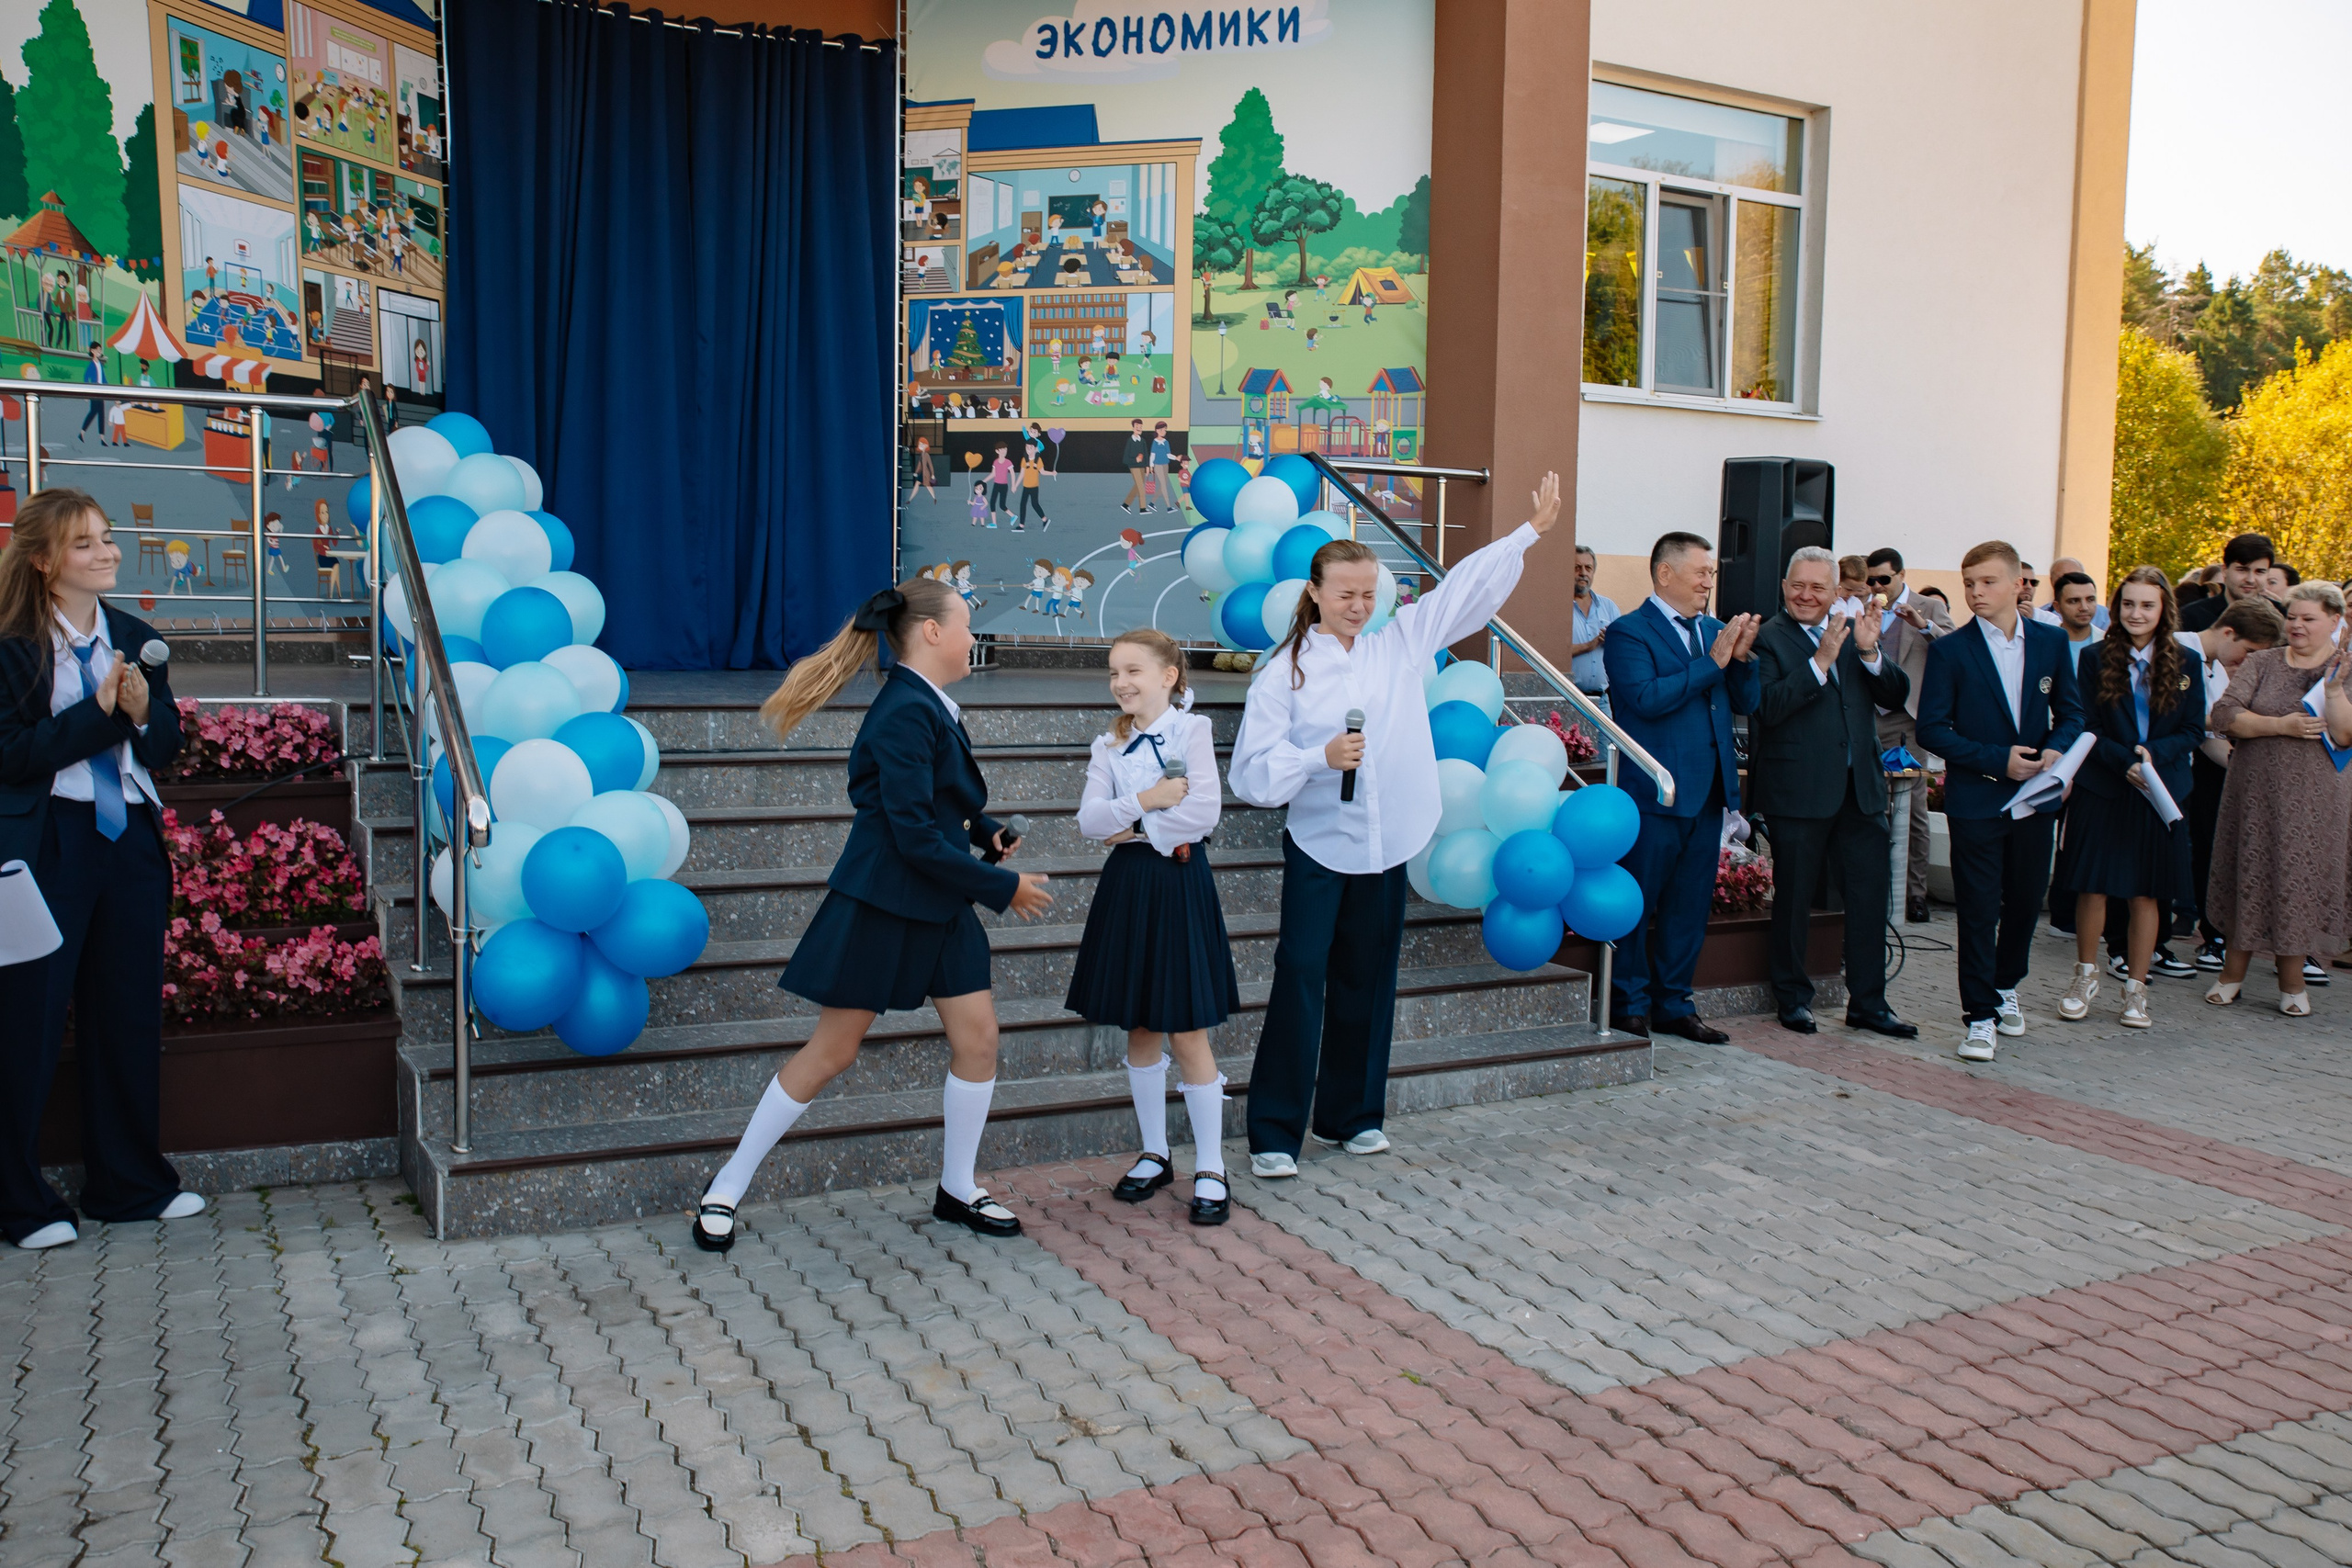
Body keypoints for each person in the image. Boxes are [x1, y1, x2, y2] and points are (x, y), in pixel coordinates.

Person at [689, 580, 1055, 1252]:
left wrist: (987, 830)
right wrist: (1003, 886)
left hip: (938, 899)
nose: (975, 639)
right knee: (833, 1050)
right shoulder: (902, 712)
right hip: (884, 901)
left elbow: (941, 805)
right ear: (934, 633)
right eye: (968, 625)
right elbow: (911, 835)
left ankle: (957, 1186)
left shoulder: (928, 705)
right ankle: (724, 1187)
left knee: (978, 1040)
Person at [1230, 474, 1564, 1179]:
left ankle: (1352, 1115)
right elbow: (1251, 775)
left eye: (1368, 592)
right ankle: (1273, 1130)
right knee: (1299, 975)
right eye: (1344, 592)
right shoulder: (1284, 674)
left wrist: (1527, 533)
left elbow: (1463, 591)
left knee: (1369, 977)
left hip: (1387, 843)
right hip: (1322, 844)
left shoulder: (1399, 644)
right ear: (1314, 592)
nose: (1358, 605)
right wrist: (1317, 756)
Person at [0, 488, 201, 1251]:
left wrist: (145, 715)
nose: (107, 552)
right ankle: (20, 1202)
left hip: (129, 845)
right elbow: (12, 757)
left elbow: (164, 744)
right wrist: (102, 714)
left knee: (126, 1013)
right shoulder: (12, 643)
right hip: (48, 840)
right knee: (29, 1017)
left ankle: (130, 1184)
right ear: (46, 561)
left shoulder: (136, 634)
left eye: (108, 538)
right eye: (85, 544)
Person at [1067, 630, 1238, 1224]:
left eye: (1133, 670)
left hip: (1178, 885)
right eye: (1114, 672)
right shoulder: (1105, 746)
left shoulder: (1193, 731)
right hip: (1130, 888)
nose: (1121, 683)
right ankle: (1155, 1152)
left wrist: (1136, 827)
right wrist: (1151, 797)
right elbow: (1089, 821)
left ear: (1169, 675)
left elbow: (1203, 811)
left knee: (1187, 1027)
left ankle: (1212, 1165)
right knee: (1139, 1025)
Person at [1917, 540, 2085, 1062]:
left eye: (1987, 582)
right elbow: (1932, 729)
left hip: (2035, 800)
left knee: (2026, 900)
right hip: (1975, 800)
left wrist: (2057, 750)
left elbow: (2073, 714)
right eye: (1969, 583)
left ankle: (2007, 984)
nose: (1975, 592)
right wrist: (1996, 759)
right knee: (1977, 908)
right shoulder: (1950, 649)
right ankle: (1979, 1016)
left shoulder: (2052, 644)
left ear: (2019, 585)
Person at [1601, 532, 1763, 1041]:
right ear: (1665, 573)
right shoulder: (1629, 632)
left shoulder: (1715, 630)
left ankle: (1675, 1002)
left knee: (1689, 906)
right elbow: (1646, 699)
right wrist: (1711, 663)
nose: (1708, 582)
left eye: (1711, 574)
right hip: (1655, 793)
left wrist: (1741, 661)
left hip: (1709, 793)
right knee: (1639, 901)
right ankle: (1628, 1002)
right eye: (1701, 572)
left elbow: (1747, 702)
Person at [1747, 547, 1915, 1037]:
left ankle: (1868, 1003)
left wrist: (1868, 651)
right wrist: (1819, 662)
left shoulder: (1852, 630)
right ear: (1784, 587)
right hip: (1798, 792)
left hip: (1860, 789)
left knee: (1867, 899)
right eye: (1798, 585)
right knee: (1795, 898)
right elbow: (1768, 708)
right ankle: (1793, 998)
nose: (1806, 595)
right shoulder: (1768, 638)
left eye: (1818, 588)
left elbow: (1895, 694)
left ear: (1834, 591)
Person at [2052, 569, 2203, 1029]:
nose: (2137, 613)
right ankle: (2084, 977)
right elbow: (2087, 724)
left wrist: (2151, 757)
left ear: (2164, 611)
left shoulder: (2188, 663)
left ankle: (2135, 991)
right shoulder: (2095, 657)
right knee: (2092, 886)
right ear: (2116, 609)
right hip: (2106, 785)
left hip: (2160, 792)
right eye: (2129, 604)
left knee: (2146, 893)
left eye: (2148, 605)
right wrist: (2125, 763)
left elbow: (2193, 730)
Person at [2204, 581, 2352, 1016]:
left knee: (2297, 880)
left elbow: (2344, 735)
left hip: (2318, 798)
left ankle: (2293, 981)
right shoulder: (2264, 661)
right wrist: (2279, 727)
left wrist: (2337, 690)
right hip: (2256, 794)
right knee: (2249, 873)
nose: (2298, 626)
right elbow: (2225, 714)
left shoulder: (2345, 667)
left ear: (2334, 621)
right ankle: (2232, 974)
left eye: (2308, 618)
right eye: (2292, 617)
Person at [2180, 597, 2285, 969]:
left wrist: (2240, 764)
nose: (2249, 662)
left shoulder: (2218, 667)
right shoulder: (2177, 650)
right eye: (2249, 651)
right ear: (2228, 632)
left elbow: (2209, 733)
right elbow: (2195, 720)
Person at [1863, 548, 1951, 921]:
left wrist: (1922, 624)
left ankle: (1914, 891)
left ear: (1901, 575)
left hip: (1908, 716)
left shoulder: (1927, 606)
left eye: (1884, 579)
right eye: (1872, 581)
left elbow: (1954, 646)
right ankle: (1876, 885)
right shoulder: (1866, 609)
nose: (1877, 586)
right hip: (1870, 715)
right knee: (1872, 800)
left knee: (1912, 803)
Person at [2180, 534, 2278, 633]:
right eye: (2242, 570)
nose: (2250, 579)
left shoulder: (2282, 616)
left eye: (2259, 572)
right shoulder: (2191, 616)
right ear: (2225, 570)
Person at [1568, 544, 1619, 716]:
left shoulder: (1608, 606)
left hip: (1602, 700)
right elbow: (1552, 652)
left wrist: (1613, 642)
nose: (1583, 573)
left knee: (1607, 744)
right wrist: (1590, 645)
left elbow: (1622, 649)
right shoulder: (1559, 609)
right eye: (1577, 567)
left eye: (1588, 568)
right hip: (1570, 698)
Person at [2036, 558, 2111, 633]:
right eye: (2074, 601)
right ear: (2051, 580)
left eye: (2076, 577)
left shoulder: (2104, 616)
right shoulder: (2040, 616)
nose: (2084, 608)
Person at [1119, 419, 1150, 513]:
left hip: (1142, 467)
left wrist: (1147, 466)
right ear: (1133, 428)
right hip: (1134, 466)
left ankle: (1126, 504)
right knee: (1141, 488)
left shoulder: (1143, 441)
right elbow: (1125, 459)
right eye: (1137, 427)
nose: (1139, 428)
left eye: (1140, 427)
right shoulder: (1130, 441)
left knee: (1138, 486)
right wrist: (1135, 460)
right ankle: (1142, 508)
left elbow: (1146, 454)